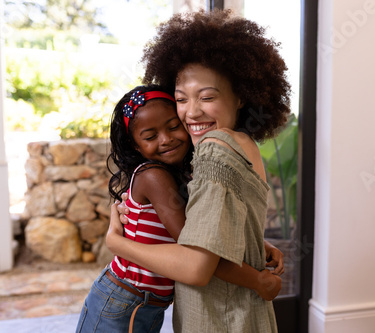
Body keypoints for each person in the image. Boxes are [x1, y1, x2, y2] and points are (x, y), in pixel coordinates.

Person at [106, 9, 291, 333]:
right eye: (181, 99)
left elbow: (195, 268)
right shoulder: (242, 143)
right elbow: (221, 225)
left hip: (217, 319)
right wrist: (255, 246)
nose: (191, 112)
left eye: (207, 97)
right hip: (246, 314)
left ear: (241, 96)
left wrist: (118, 244)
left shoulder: (213, 149)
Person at [77, 84, 283, 333]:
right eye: (151, 136)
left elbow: (206, 228)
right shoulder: (154, 176)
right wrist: (257, 280)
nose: (166, 139)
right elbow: (196, 247)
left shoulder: (181, 173)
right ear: (135, 146)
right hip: (123, 301)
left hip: (145, 304)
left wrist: (259, 246)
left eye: (173, 126)